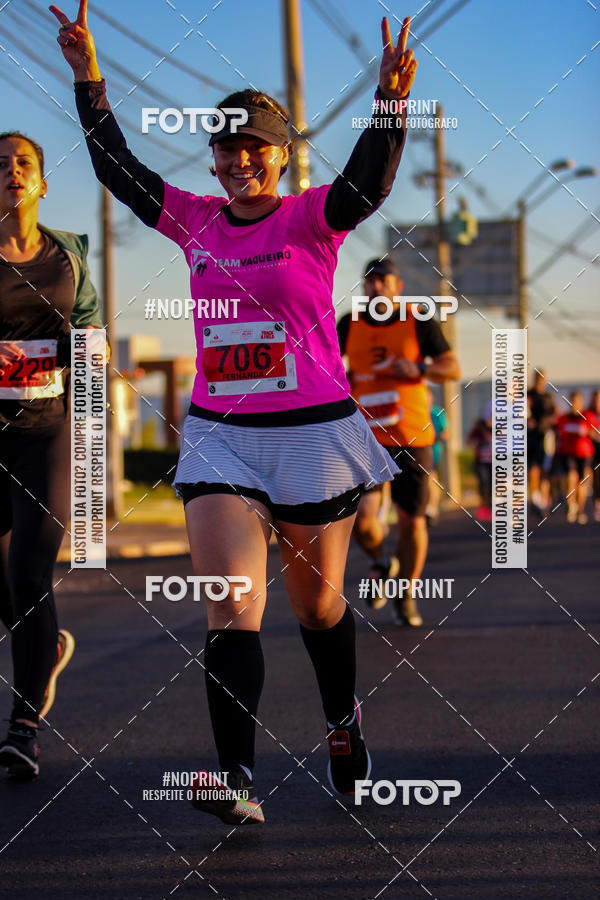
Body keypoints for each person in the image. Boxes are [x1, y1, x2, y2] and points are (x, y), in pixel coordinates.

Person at [50, 0, 418, 823]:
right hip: (221, 439)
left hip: (315, 436)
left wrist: (391, 102)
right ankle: (236, 779)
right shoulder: (195, 220)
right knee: (230, 602)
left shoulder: (310, 219)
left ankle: (340, 721)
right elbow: (120, 170)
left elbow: (368, 183)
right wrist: (88, 80)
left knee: (318, 607)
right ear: (213, 160)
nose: (240, 159)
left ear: (282, 158)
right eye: (226, 146)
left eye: (256, 146)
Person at [0, 130, 102, 777]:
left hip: (51, 428)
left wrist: (93, 432)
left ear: (41, 182)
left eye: (24, 164)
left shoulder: (67, 254)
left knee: (32, 571)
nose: (11, 171)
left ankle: (23, 724)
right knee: (5, 583)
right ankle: (49, 644)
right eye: (0, 165)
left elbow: (90, 332)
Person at [337, 259, 460, 626]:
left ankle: (405, 594)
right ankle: (380, 562)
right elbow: (325, 365)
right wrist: (341, 377)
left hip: (412, 437)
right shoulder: (349, 323)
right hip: (365, 438)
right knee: (362, 523)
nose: (375, 287)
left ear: (397, 285)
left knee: (412, 523)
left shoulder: (418, 320)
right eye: (369, 281)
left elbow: (452, 367)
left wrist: (420, 369)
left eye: (382, 280)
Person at [556, 391, 597, 524]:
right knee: (571, 477)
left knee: (582, 482)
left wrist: (587, 432)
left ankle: (581, 510)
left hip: (584, 453)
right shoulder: (564, 418)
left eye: (577, 401)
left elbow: (595, 433)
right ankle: (571, 505)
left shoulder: (587, 416)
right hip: (568, 452)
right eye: (572, 401)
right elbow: (558, 431)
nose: (574, 404)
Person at [527, 369, 556, 514]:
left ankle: (543, 501)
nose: (541, 381)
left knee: (545, 469)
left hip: (545, 436)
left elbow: (552, 415)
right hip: (531, 437)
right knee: (533, 467)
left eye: (543, 379)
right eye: (539, 378)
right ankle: (535, 497)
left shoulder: (548, 397)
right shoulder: (528, 395)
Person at [425, 387, 448, 525]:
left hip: (432, 451)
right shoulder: (416, 413)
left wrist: (434, 438)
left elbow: (446, 433)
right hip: (416, 451)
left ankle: (432, 509)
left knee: (431, 478)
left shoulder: (437, 412)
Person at [467, 404, 493, 521]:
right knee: (483, 482)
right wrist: (478, 442)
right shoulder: (478, 430)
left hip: (495, 461)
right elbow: (470, 441)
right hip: (481, 461)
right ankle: (483, 505)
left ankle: (491, 507)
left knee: (493, 485)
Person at [587, 389, 600, 522]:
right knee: (596, 476)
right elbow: (586, 428)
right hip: (593, 448)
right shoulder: (588, 413)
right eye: (595, 398)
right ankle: (597, 505)